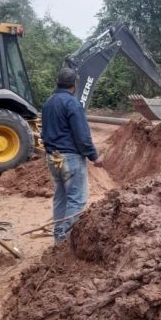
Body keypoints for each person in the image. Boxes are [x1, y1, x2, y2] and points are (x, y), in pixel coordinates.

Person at [41, 67, 103, 243]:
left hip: (52, 157)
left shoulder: (48, 103)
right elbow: (82, 135)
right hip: (70, 158)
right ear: (74, 84)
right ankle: (67, 243)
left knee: (60, 197)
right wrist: (94, 156)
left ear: (58, 82)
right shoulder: (72, 104)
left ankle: (59, 239)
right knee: (76, 200)